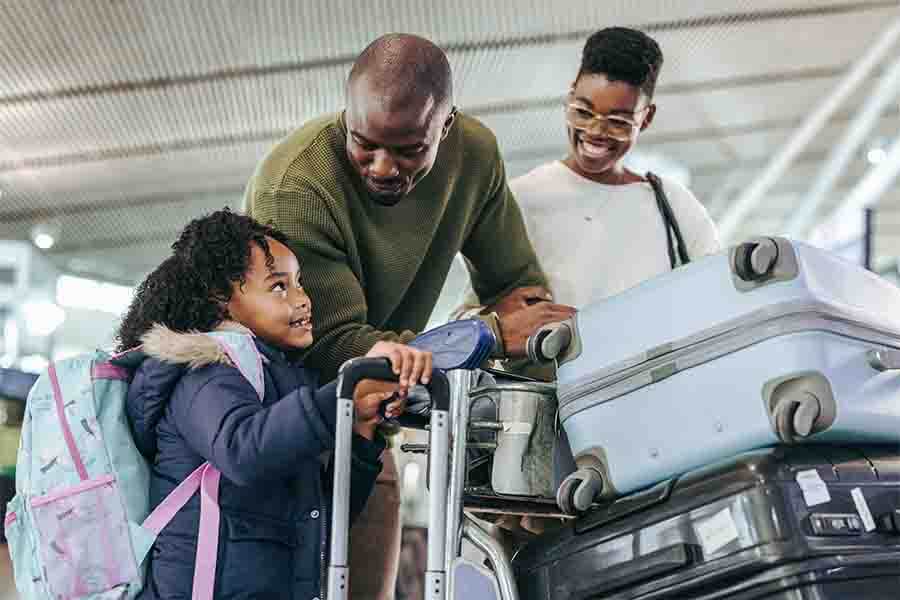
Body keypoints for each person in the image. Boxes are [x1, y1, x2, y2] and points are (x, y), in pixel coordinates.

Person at [245, 33, 575, 597]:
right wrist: (484, 333)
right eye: (364, 143)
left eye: (408, 149)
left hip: (370, 425)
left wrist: (538, 457)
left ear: (445, 128)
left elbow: (522, 294)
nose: (382, 166)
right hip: (287, 418)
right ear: (345, 116)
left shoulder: (474, 155)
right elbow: (337, 352)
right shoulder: (298, 186)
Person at [455, 26, 721, 526]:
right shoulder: (521, 200)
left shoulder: (676, 211)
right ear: (567, 99)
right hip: (540, 460)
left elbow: (714, 315)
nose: (596, 132)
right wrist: (502, 322)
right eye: (582, 110)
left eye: (619, 120)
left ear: (649, 116)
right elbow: (472, 319)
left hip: (653, 443)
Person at [118, 209, 432, 599]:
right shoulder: (203, 371)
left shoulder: (275, 382)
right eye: (279, 287)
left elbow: (319, 517)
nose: (303, 300)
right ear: (222, 300)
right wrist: (344, 392)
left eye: (299, 284)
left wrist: (360, 432)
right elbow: (243, 450)